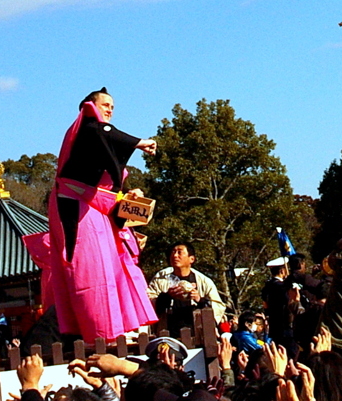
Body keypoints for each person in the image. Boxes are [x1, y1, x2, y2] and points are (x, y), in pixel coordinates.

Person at [22, 88, 158, 341]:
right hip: (78, 210)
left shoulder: (102, 141)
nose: (109, 109)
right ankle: (97, 332)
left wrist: (127, 199)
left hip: (100, 214)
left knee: (111, 269)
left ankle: (112, 329)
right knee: (88, 269)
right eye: (105, 104)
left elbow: (108, 195)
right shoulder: (87, 130)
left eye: (113, 106)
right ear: (89, 106)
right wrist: (138, 142)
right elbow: (99, 130)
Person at [147, 243, 226, 336]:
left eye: (179, 252)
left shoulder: (204, 281)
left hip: (198, 333)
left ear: (191, 259)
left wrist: (199, 299)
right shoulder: (160, 279)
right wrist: (167, 296)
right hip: (168, 332)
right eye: (173, 252)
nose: (175, 255)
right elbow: (148, 303)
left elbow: (218, 307)